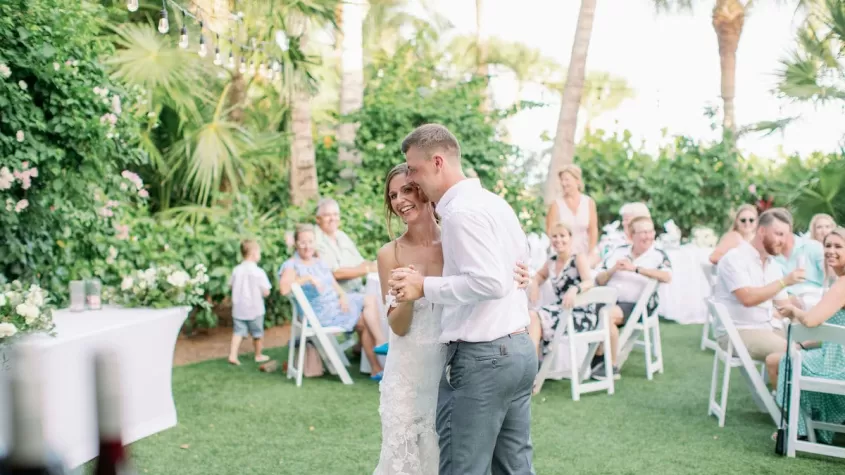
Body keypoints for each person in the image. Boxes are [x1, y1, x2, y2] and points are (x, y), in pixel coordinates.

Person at [389, 124, 537, 475]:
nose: (411, 177)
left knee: (463, 469)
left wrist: (425, 286)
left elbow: (489, 282)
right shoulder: (494, 203)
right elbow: (523, 256)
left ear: (437, 161)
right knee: (515, 468)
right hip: (517, 349)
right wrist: (521, 273)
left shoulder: (460, 214)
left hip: (483, 360)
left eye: (414, 168)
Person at [279, 224, 386, 380]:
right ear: (296, 244)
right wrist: (307, 278)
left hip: (334, 304)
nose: (307, 246)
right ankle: (380, 346)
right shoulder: (292, 265)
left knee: (366, 313)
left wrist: (342, 295)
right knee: (368, 306)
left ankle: (376, 366)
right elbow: (284, 289)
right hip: (320, 314)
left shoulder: (318, 261)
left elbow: (332, 282)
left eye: (310, 241)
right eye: (302, 242)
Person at [769, 226, 845, 444]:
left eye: (838, 246)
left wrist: (794, 311)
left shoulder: (842, 284)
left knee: (787, 362)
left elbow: (811, 321)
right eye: (828, 245)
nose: (831, 250)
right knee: (795, 356)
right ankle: (808, 428)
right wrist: (807, 344)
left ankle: (798, 430)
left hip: (838, 366)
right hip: (835, 355)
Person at [712, 208, 805, 385]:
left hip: (767, 326)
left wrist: (806, 314)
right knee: (794, 353)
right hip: (738, 331)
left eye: (785, 236)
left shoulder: (772, 265)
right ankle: (788, 409)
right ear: (762, 231)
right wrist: (785, 281)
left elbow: (783, 306)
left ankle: (802, 403)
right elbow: (747, 298)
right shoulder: (734, 258)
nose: (783, 241)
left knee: (819, 342)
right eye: (779, 234)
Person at [529, 222, 625, 380]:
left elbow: (590, 281)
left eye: (562, 236)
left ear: (570, 238)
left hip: (580, 314)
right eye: (554, 236)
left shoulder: (577, 258)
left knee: (534, 316)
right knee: (533, 316)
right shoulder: (551, 261)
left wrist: (575, 289)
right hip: (563, 310)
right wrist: (534, 285)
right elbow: (539, 275)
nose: (558, 240)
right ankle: (533, 367)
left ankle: (531, 369)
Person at [595, 216, 672, 378]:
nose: (648, 236)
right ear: (631, 235)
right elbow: (599, 278)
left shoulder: (658, 255)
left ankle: (611, 364)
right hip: (609, 299)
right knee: (589, 309)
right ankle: (592, 355)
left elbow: (667, 276)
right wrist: (613, 270)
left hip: (637, 305)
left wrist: (635, 269)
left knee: (605, 315)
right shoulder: (618, 251)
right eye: (643, 232)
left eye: (650, 231)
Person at [314, 198, 377, 293]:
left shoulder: (341, 235)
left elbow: (360, 262)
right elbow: (336, 273)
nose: (332, 219)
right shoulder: (314, 239)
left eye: (335, 214)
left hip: (359, 290)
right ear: (318, 219)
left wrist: (376, 265)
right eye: (327, 215)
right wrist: (368, 269)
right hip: (340, 297)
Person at [228, 239, 272, 366]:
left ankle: (233, 355)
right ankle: (258, 355)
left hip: (239, 308)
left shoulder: (236, 270)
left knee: (238, 332)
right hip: (255, 308)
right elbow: (266, 291)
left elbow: (231, 285)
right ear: (253, 254)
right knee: (257, 333)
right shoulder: (259, 272)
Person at [545, 164, 599, 265]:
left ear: (577, 181)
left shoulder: (588, 202)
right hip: (562, 254)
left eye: (567, 179)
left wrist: (591, 252)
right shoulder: (555, 204)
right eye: (561, 180)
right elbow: (550, 232)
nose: (563, 183)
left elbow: (593, 230)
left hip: (584, 254)